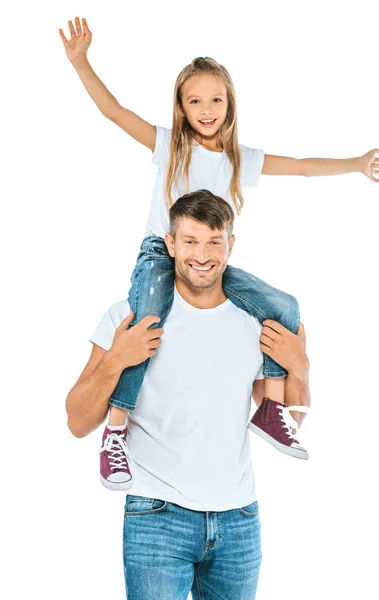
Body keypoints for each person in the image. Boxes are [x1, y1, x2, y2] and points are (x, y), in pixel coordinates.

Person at [59, 17, 379, 488]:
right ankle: (115, 431)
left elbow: (301, 168)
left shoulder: (240, 159)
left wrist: (354, 164)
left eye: (216, 99)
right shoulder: (172, 146)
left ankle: (272, 410)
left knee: (285, 307)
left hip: (211, 261)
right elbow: (114, 111)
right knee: (146, 324)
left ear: (229, 104)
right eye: (195, 101)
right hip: (162, 254)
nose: (206, 109)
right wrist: (81, 62)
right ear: (181, 107)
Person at [65, 191, 311, 600]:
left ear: (231, 245)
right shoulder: (130, 315)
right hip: (158, 519)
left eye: (214, 241)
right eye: (191, 241)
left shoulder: (254, 322)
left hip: (239, 521)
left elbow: (286, 420)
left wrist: (299, 366)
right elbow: (77, 421)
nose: (203, 255)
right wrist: (117, 360)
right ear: (171, 244)